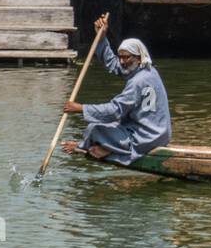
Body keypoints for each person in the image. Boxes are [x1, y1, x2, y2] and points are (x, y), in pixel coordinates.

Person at [61, 15, 171, 163]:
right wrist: (101, 37)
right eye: (121, 57)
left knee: (95, 128)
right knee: (107, 125)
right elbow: (113, 64)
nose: (122, 61)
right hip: (159, 133)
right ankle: (99, 146)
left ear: (138, 57)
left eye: (127, 58)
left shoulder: (138, 81)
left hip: (146, 137)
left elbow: (115, 110)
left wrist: (81, 108)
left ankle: (98, 148)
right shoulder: (147, 70)